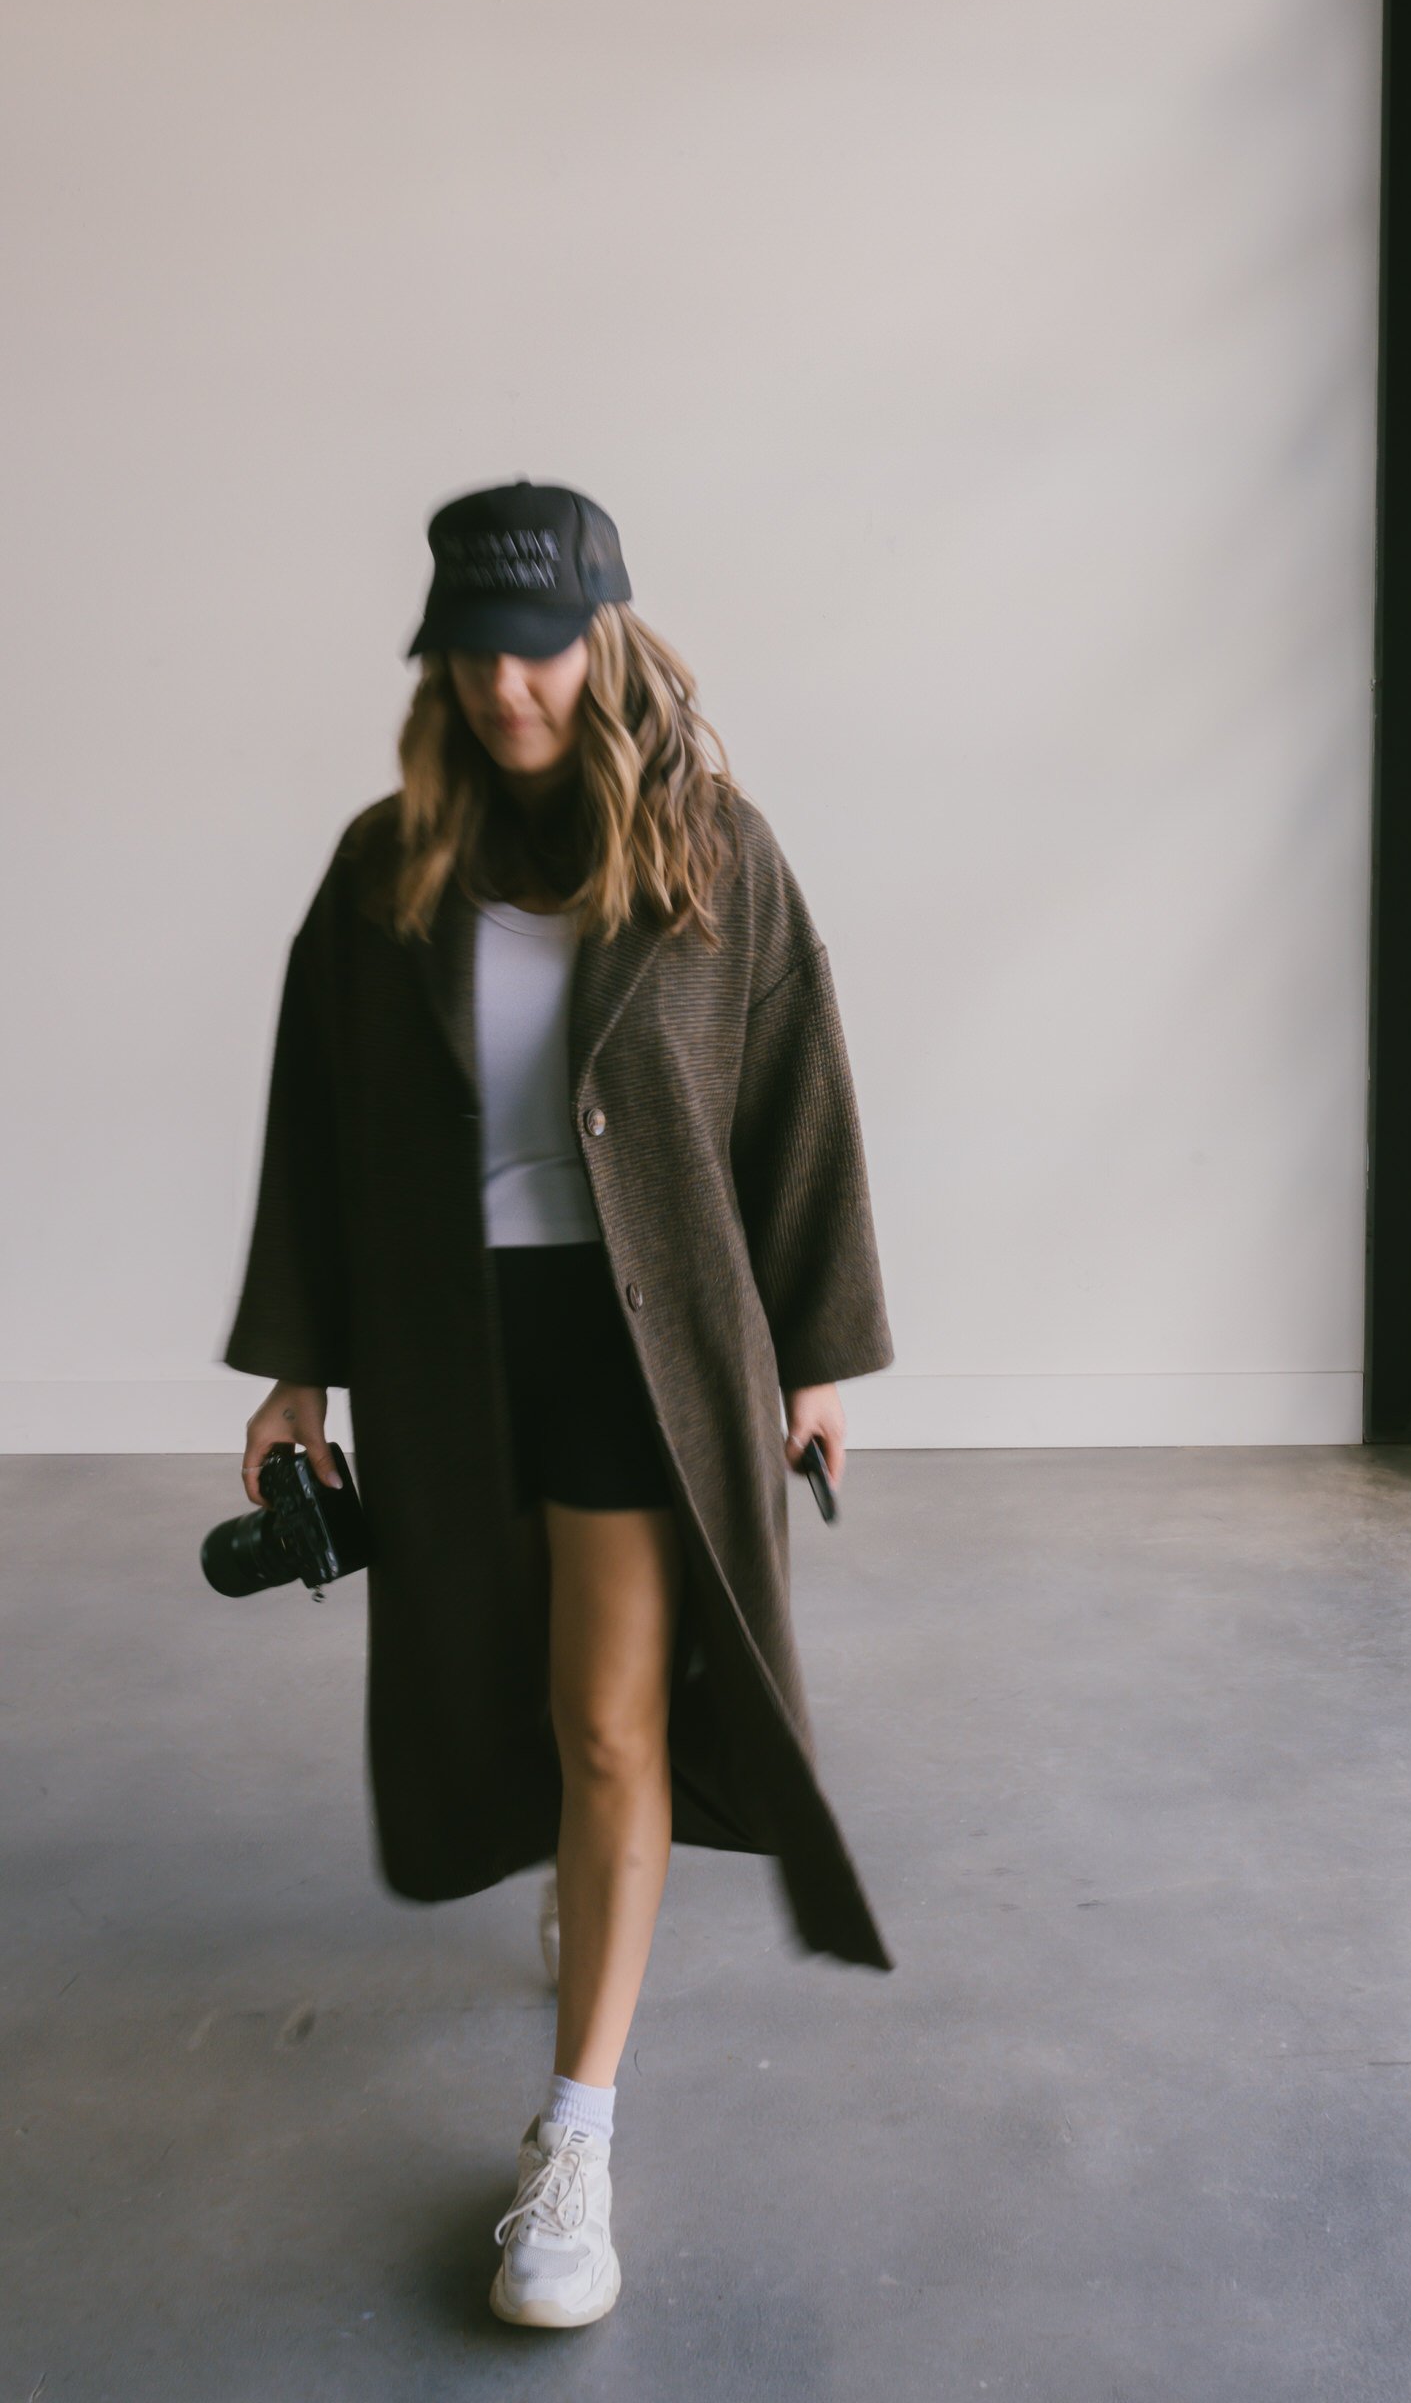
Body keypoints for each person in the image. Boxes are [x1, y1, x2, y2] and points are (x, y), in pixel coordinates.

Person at [221, 479, 895, 2330]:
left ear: (604, 637)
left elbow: (797, 1099)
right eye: (474, 647)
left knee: (610, 1731)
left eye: (542, 643)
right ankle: (583, 1902)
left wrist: (818, 1353)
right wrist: (300, 1364)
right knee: (497, 1679)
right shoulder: (386, 868)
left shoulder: (709, 851)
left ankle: (576, 2137)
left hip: (645, 1351)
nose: (510, 683)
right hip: (451, 1352)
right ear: (436, 655)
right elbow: (318, 1129)